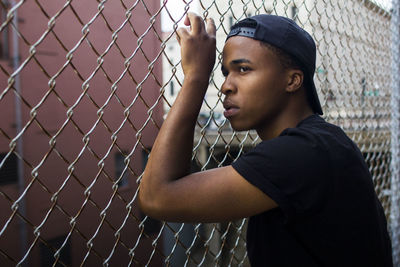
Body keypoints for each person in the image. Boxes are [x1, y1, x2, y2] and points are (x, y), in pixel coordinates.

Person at [138, 12, 393, 266]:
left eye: (243, 69)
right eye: (226, 72)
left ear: (293, 80)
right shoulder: (322, 141)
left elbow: (156, 196)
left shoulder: (302, 153)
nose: (226, 85)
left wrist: (196, 77)